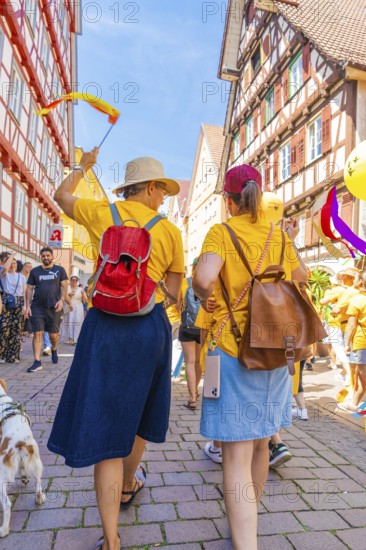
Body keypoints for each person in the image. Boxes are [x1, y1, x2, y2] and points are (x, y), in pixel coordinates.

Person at [47, 149, 184, 550]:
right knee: (143, 410)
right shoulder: (171, 231)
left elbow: (60, 195)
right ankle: (129, 482)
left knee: (104, 425)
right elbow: (175, 293)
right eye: (163, 191)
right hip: (148, 328)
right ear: (152, 187)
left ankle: (111, 540)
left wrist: (83, 166)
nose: (164, 200)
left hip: (103, 326)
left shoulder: (99, 211)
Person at [193, 164, 308, 550]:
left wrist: (203, 288)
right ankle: (247, 523)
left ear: (228, 201)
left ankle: (246, 543)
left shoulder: (221, 232)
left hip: (233, 349)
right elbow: (302, 276)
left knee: (236, 457)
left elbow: (205, 279)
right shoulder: (277, 236)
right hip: (275, 350)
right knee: (261, 444)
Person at [24, 247, 70, 373]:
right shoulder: (35, 271)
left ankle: (54, 348)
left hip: (54, 308)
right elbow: (29, 289)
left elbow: (65, 286)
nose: (45, 258)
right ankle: (37, 361)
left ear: (52, 256)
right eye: (43, 256)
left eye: (48, 255)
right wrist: (27, 306)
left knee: (53, 335)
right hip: (37, 307)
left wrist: (61, 300)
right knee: (38, 333)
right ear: (41, 257)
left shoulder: (59, 270)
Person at [179, 259, 202, 410]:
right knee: (198, 362)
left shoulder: (185, 283)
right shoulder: (210, 284)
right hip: (202, 327)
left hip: (187, 327)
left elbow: (177, 304)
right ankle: (195, 390)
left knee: (189, 362)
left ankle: (192, 398)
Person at [342, 270, 366, 412]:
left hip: (361, 341)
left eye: (356, 278)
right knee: (360, 374)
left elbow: (351, 325)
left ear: (361, 282)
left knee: (362, 373)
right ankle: (354, 403)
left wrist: (346, 344)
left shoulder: (356, 300)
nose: (354, 280)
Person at [0, 253, 27, 363]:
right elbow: (5, 267)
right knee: (4, 328)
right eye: (11, 263)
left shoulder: (21, 277)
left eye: (15, 263)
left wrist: (25, 305)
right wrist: (11, 256)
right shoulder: (4, 274)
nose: (13, 265)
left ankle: (13, 356)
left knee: (17, 329)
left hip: (19, 302)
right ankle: (2, 355)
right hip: (7, 300)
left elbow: (25, 292)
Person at [64, 275, 87, 344]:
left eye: (76, 280)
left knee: (77, 321)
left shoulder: (81, 289)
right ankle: (70, 338)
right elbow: (63, 297)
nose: (74, 281)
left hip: (78, 306)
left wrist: (84, 294)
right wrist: (68, 295)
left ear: (77, 282)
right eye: (73, 280)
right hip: (69, 305)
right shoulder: (67, 288)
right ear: (70, 281)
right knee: (69, 321)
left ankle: (76, 338)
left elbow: (85, 299)